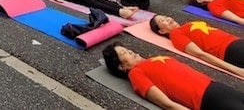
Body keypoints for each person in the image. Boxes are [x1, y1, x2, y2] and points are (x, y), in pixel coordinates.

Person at [102, 42, 244, 109]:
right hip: (204, 99)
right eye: (123, 53)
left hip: (215, 87)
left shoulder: (151, 60)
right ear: (122, 67)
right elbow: (166, 103)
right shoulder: (135, 73)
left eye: (126, 49)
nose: (129, 51)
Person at [149, 15, 244, 77]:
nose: (168, 19)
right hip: (229, 49)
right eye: (163, 21)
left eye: (166, 17)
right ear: (162, 31)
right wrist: (236, 70)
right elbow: (200, 54)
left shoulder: (186, 25)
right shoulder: (176, 34)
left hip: (236, 41)